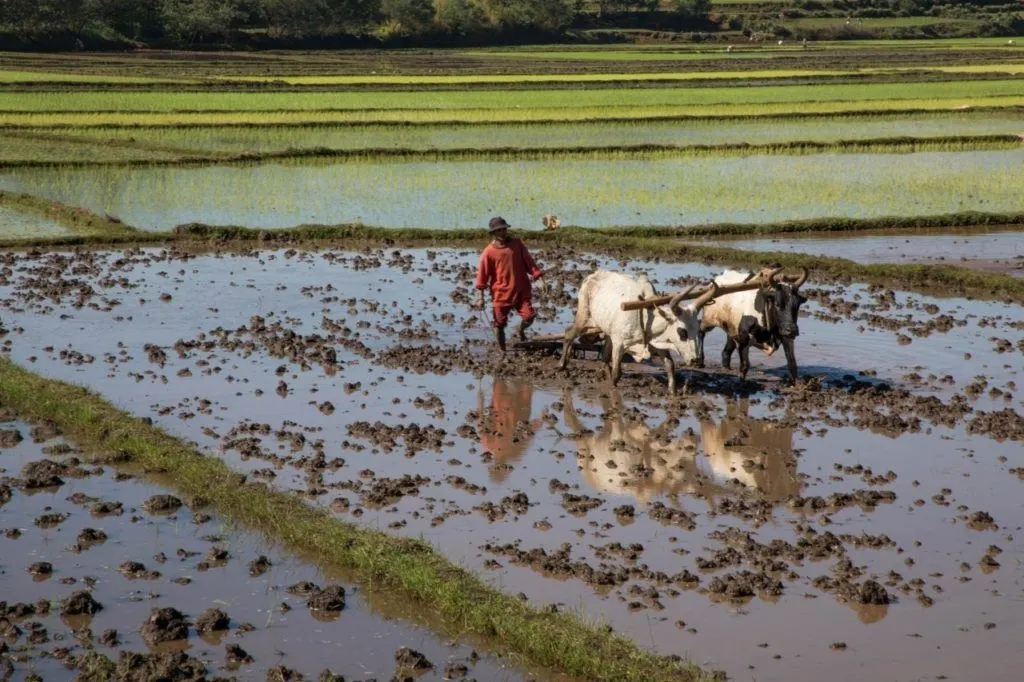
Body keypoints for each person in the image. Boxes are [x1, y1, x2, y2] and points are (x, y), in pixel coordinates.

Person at [474, 216, 547, 351]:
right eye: (499, 230)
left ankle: (520, 329)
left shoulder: (517, 244)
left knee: (529, 317)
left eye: (504, 229)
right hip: (501, 294)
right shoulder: (488, 252)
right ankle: (503, 350)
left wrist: (540, 279)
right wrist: (480, 297)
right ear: (493, 233)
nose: (502, 232)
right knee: (499, 325)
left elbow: (529, 263)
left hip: (521, 290)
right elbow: (482, 277)